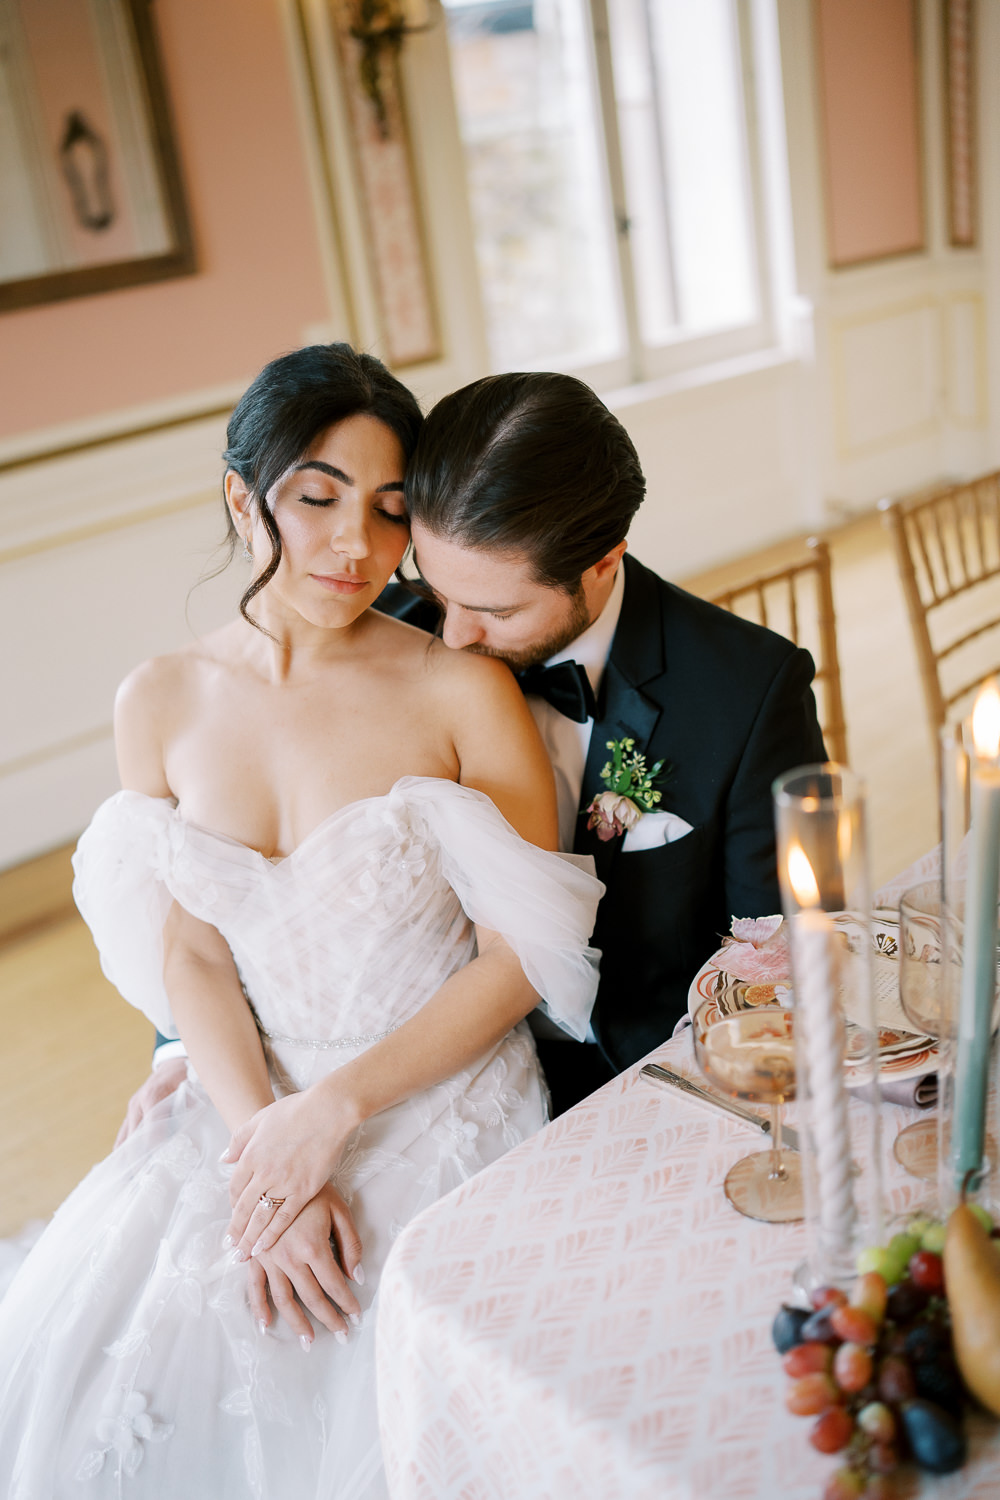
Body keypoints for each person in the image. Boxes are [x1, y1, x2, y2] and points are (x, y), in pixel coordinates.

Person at [0, 346, 602, 1498]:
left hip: (435, 1088)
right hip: (247, 1098)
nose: (358, 549)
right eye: (316, 499)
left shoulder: (460, 692)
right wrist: (260, 1155)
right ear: (244, 497)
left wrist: (333, 1113)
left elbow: (523, 956)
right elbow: (191, 949)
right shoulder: (160, 700)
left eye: (387, 511)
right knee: (141, 1356)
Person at [379, 371, 827, 1113]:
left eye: (496, 609)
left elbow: (779, 950)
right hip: (426, 1079)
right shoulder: (388, 638)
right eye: (436, 591)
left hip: (641, 1078)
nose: (454, 637)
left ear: (603, 560)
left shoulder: (747, 690)